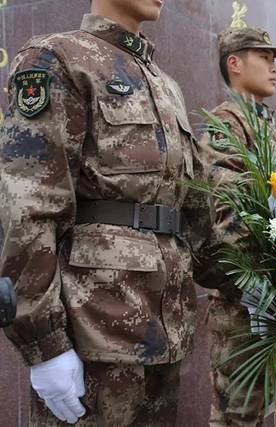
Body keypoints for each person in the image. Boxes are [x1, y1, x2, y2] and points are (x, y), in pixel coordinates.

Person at [0, 1, 217, 425]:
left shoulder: (165, 85)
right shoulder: (56, 59)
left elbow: (191, 214)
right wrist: (44, 347)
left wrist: (260, 285)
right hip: (94, 333)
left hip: (166, 334)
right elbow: (29, 206)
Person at [198, 19, 276, 427]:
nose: (274, 66)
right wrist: (263, 281)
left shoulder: (267, 127)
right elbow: (227, 214)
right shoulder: (227, 126)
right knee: (237, 414)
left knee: (260, 412)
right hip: (244, 302)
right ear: (234, 63)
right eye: (265, 57)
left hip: (274, 295)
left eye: (275, 58)